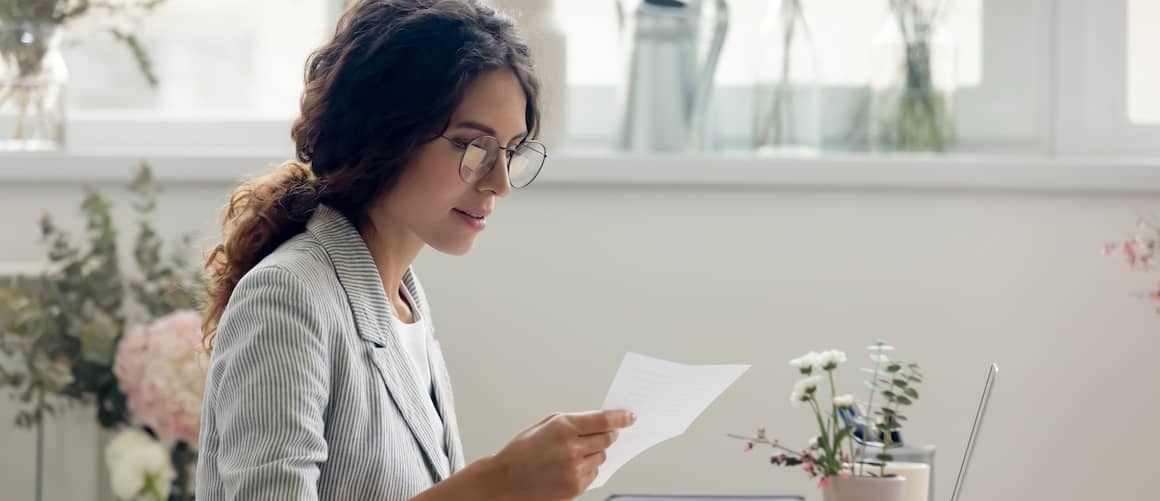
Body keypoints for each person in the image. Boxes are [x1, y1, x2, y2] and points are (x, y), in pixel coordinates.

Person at [195, 1, 635, 499]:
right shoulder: (288, 296)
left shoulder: (403, 302)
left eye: (511, 151)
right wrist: (497, 484)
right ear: (388, 133)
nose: (501, 182)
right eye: (474, 146)